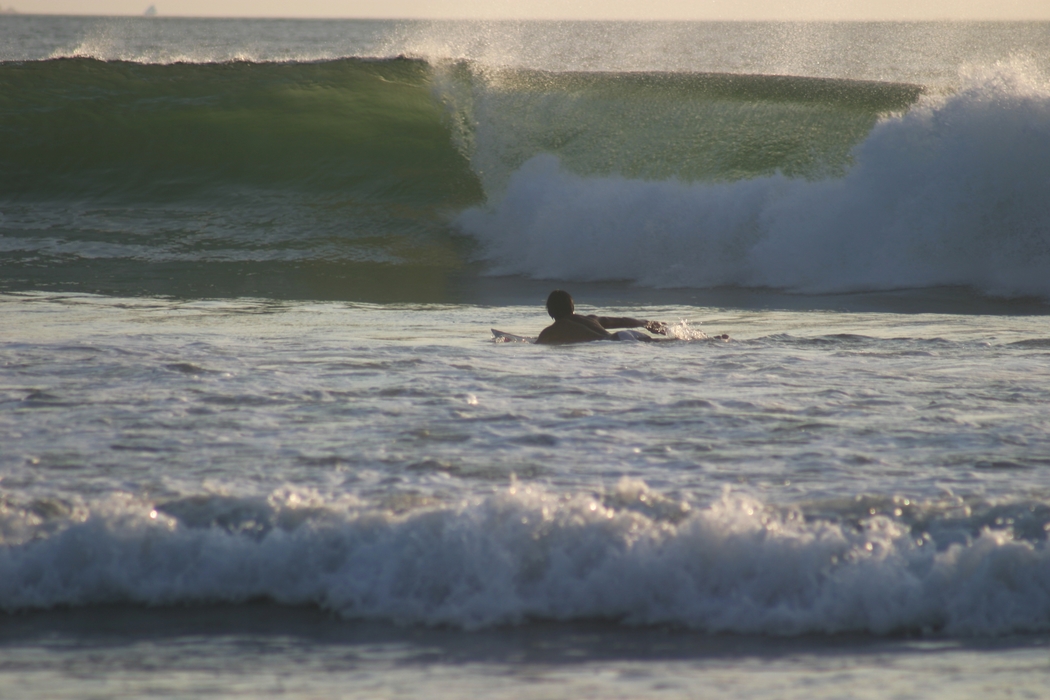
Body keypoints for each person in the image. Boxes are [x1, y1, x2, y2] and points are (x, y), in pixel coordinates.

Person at [536, 290, 668, 344]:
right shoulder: (591, 319)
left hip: (616, 341)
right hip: (626, 334)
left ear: (550, 312)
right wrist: (646, 323)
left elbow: (538, 345)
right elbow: (622, 321)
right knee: (670, 342)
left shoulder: (550, 332)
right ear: (572, 307)